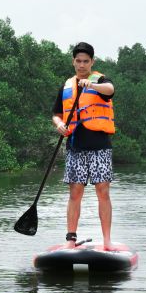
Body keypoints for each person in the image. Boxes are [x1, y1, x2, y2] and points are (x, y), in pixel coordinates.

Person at [51, 42, 116, 250]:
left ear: (92, 62)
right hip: (75, 146)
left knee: (103, 191)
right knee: (75, 193)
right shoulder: (66, 85)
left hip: (99, 146)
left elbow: (110, 90)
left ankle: (107, 240)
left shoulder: (100, 80)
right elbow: (56, 114)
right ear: (73, 62)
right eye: (78, 61)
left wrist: (91, 85)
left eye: (85, 61)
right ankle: (71, 239)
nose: (81, 65)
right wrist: (60, 124)